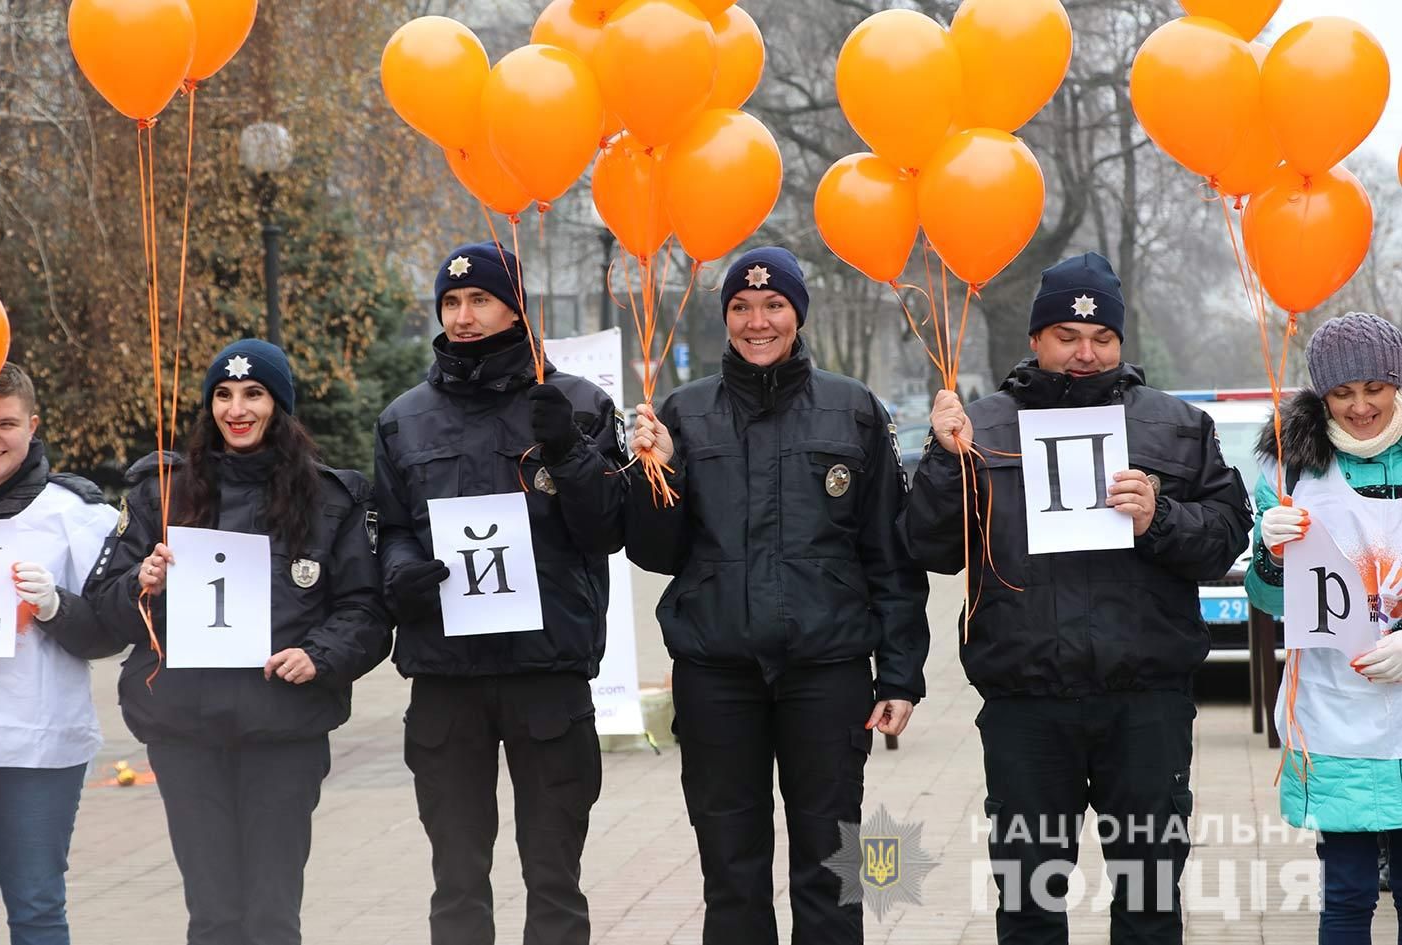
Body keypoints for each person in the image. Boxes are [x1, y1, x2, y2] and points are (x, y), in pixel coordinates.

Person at [902, 252, 1252, 944]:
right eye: (1067, 335)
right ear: (1035, 339)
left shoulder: (1177, 427)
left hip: (1145, 701)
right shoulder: (981, 427)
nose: (1085, 352)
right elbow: (929, 547)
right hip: (1027, 703)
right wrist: (944, 459)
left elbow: (1222, 538)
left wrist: (1161, 518)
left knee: (1149, 898)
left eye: (1101, 337)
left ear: (1120, 341)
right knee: (1029, 899)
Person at [625, 246, 930, 944]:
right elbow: (653, 551)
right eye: (739, 307)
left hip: (825, 671)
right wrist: (652, 477)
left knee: (833, 866)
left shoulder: (852, 411)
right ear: (724, 316)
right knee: (729, 868)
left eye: (772, 306)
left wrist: (901, 672)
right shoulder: (685, 412)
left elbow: (889, 552)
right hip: (716, 672)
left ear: (797, 314)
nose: (755, 321)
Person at [85, 339, 391, 945]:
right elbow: (104, 608)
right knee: (214, 915)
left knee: (273, 915)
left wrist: (319, 654)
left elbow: (365, 608)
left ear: (280, 405)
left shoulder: (331, 500)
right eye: (223, 396)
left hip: (283, 730)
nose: (237, 409)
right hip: (186, 731)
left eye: (254, 394)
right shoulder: (160, 493)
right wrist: (141, 583)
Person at [373, 241, 626, 945]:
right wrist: (400, 574)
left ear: (516, 306)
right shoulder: (403, 419)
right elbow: (389, 527)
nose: (463, 316)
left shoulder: (577, 402)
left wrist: (569, 453)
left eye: (480, 299)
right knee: (456, 878)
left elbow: (607, 529)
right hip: (446, 673)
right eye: (451, 303)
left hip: (546, 669)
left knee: (553, 875)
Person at [1245, 312, 1402, 944]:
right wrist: (1270, 553)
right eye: (1343, 393)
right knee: (1348, 893)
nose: (1361, 407)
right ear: (1323, 395)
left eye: (1375, 388)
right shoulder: (1291, 470)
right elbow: (1266, 598)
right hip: (1335, 708)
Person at [0, 363, 117, 945]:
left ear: (33, 425)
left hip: (37, 742)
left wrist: (55, 606)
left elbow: (112, 631)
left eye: (6, 423)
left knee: (36, 902)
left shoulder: (76, 513)